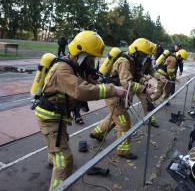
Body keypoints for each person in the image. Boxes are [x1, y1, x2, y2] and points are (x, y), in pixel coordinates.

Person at [34, 31, 126, 190]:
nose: (92, 63)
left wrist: (106, 83)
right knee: (65, 159)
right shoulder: (63, 70)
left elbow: (92, 83)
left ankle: (53, 157)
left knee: (61, 142)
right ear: (81, 54)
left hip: (59, 115)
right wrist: (112, 90)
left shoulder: (76, 66)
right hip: (50, 117)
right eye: (90, 59)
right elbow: (82, 91)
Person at [90, 38, 155, 160]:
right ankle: (123, 151)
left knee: (114, 117)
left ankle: (97, 133)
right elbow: (127, 84)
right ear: (136, 51)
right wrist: (145, 89)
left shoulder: (132, 61)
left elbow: (135, 76)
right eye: (143, 55)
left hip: (120, 95)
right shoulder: (124, 62)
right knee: (124, 122)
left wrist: (144, 83)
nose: (144, 58)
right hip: (114, 96)